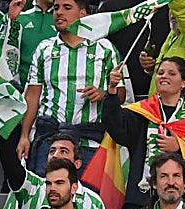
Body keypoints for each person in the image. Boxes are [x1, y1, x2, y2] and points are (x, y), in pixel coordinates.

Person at [98, 57, 185, 209]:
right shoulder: (142, 112)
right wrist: (112, 89)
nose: (164, 76)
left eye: (171, 73)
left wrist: (180, 148)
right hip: (141, 200)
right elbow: (116, 127)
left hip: (182, 203)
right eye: (160, 73)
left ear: (184, 82)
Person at [16, 0, 122, 174]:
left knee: (88, 197)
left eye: (67, 7)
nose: (59, 12)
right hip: (51, 141)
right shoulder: (44, 49)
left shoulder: (106, 49)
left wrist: (103, 94)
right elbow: (32, 96)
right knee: (47, 195)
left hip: (90, 142)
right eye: (56, 8)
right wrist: (24, 136)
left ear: (83, 14)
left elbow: (121, 95)